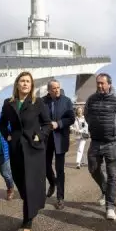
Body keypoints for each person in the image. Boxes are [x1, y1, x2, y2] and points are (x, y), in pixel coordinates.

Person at [0, 71, 52, 231]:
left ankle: (26, 227)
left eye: (28, 81)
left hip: (33, 149)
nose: (25, 84)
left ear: (31, 85)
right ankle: (31, 208)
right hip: (16, 151)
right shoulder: (8, 103)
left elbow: (47, 124)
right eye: (22, 81)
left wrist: (40, 136)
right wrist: (8, 136)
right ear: (17, 84)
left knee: (30, 186)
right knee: (21, 184)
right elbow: (1, 124)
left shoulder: (38, 102)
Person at [84, 73, 116, 220]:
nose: (100, 86)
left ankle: (110, 206)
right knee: (93, 168)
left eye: (102, 83)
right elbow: (87, 115)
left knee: (112, 175)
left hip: (112, 143)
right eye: (98, 83)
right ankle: (105, 190)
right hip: (96, 141)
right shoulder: (91, 99)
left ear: (109, 84)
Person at [42, 79, 76, 210]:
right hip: (46, 139)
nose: (56, 90)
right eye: (54, 88)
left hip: (60, 139)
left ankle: (60, 198)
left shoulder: (66, 101)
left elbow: (71, 118)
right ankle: (52, 182)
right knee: (45, 166)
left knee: (60, 169)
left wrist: (59, 124)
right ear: (48, 90)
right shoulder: (42, 101)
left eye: (58, 88)